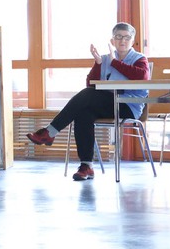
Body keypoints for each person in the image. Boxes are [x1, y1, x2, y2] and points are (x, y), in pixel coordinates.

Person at [27, 23, 149, 181]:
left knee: (86, 96)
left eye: (127, 37)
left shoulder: (140, 59)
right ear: (112, 40)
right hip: (106, 104)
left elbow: (142, 77)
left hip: (128, 106)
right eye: (118, 37)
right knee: (83, 113)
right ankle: (86, 165)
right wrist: (98, 64)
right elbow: (91, 85)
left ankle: (49, 132)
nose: (122, 41)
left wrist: (114, 62)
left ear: (132, 40)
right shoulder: (104, 59)